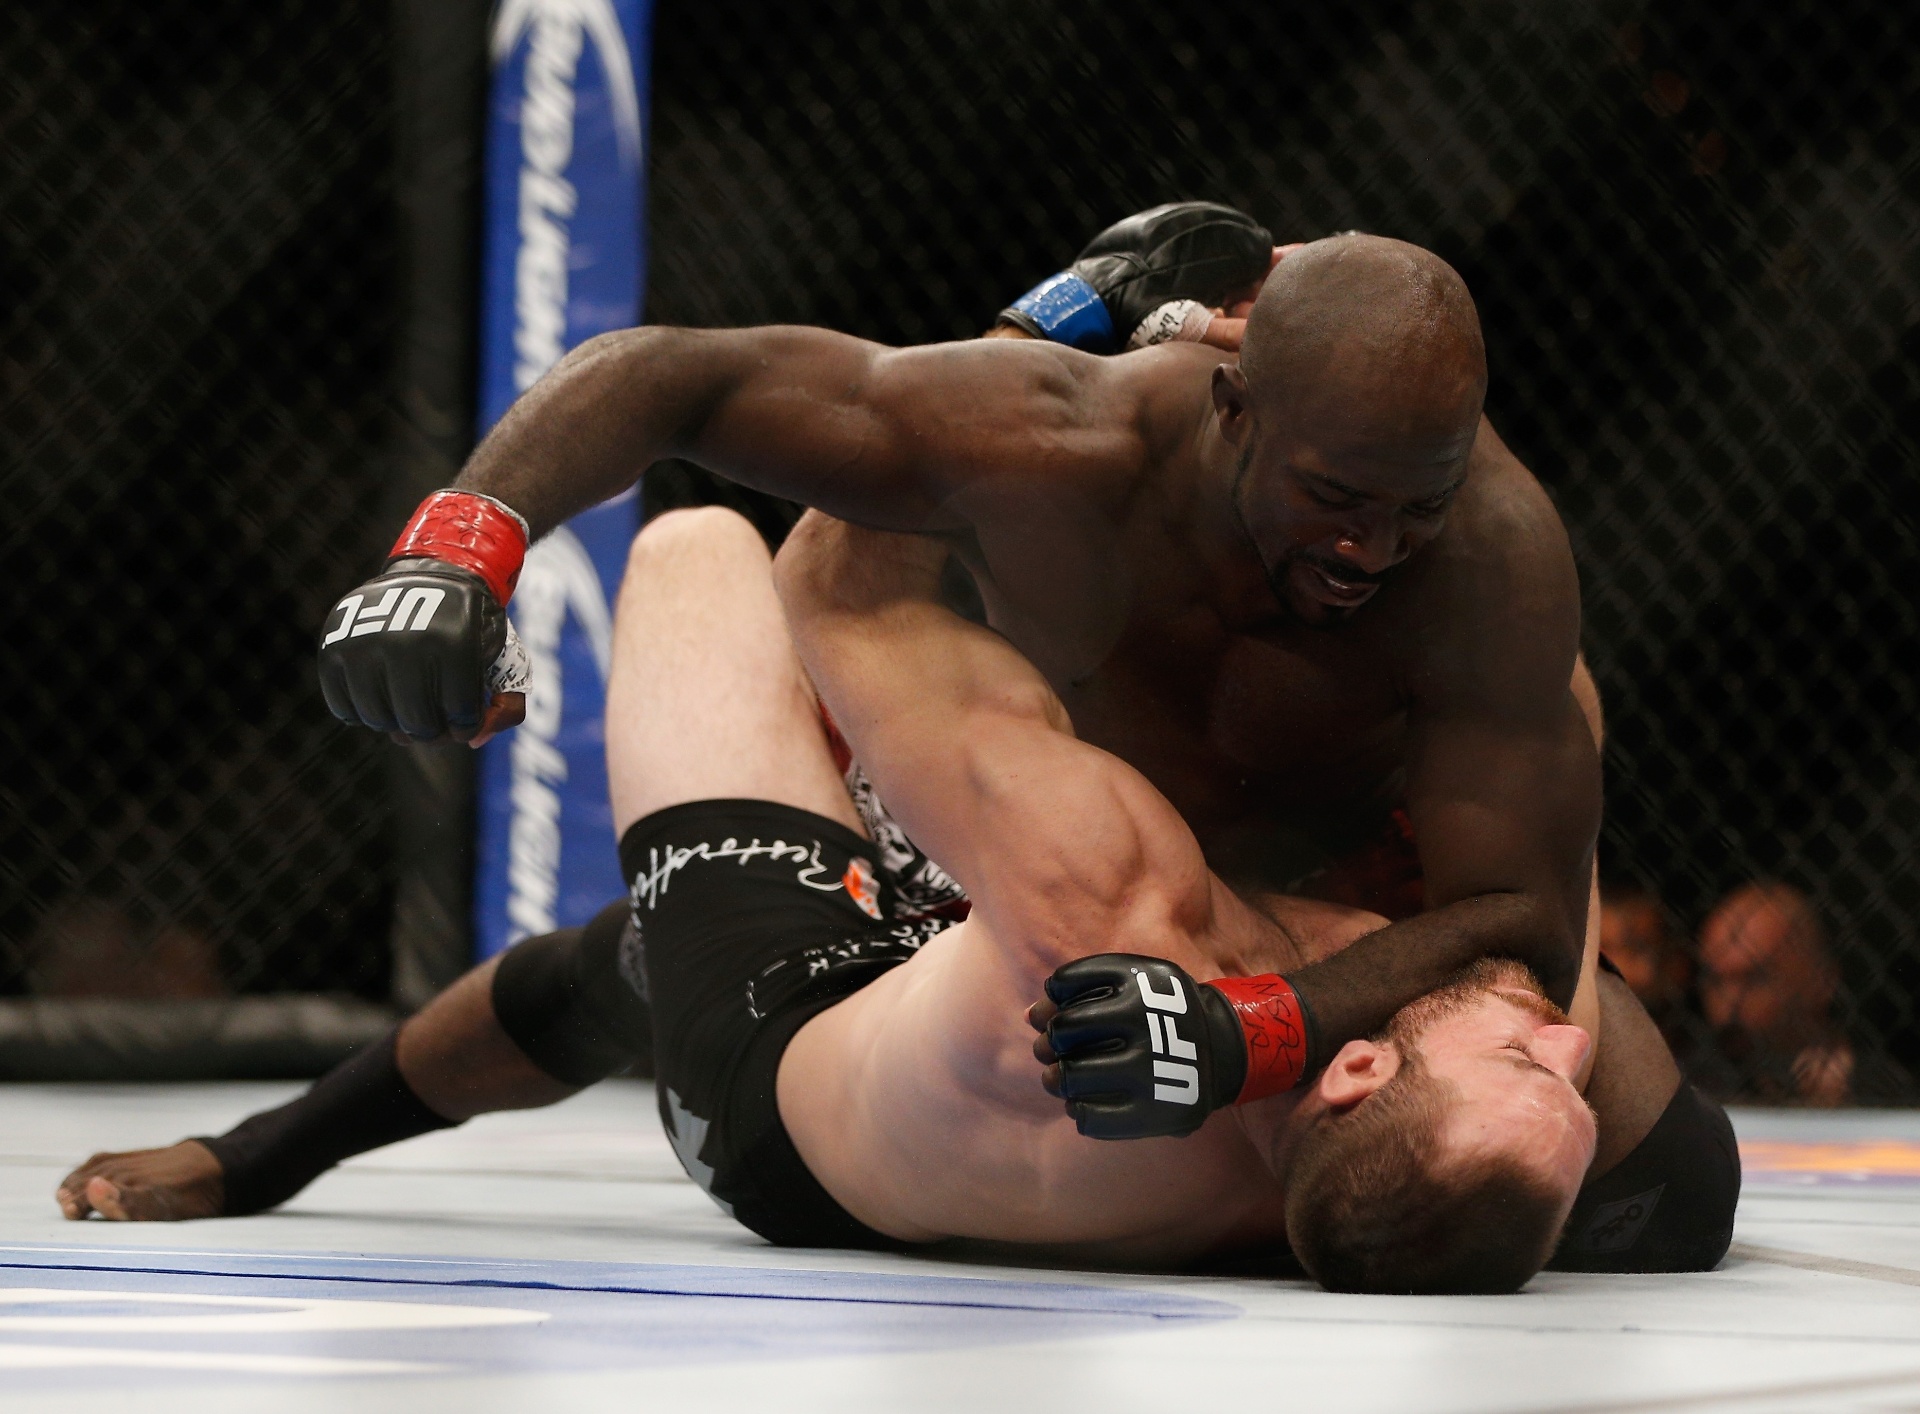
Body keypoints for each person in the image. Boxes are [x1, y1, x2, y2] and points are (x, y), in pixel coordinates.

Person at [62, 509, 1734, 1283]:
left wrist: (1084, 329)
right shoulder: (1435, 1139)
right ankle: (267, 1148)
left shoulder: (1119, 943)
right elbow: (1538, 798)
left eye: (1534, 1067)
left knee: (699, 555)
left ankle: (265, 1146)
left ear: (1355, 1062)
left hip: (778, 1063)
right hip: (951, 1052)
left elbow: (837, 558)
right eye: (1558, 1076)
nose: (1557, 1046)